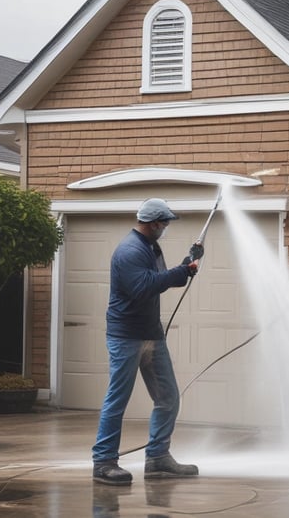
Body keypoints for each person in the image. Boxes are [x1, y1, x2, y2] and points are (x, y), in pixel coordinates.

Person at [92, 198, 202, 485]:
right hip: (126, 336)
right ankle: (103, 462)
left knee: (168, 398)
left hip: (151, 334)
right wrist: (179, 272)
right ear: (154, 223)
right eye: (165, 223)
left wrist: (187, 264)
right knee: (118, 400)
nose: (166, 228)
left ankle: (157, 458)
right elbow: (143, 287)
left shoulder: (151, 247)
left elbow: (162, 280)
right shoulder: (129, 250)